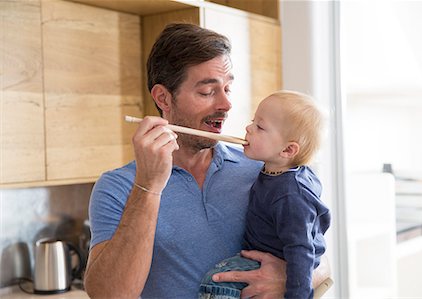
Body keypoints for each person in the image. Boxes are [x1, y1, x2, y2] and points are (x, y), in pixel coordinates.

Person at [84, 23, 329, 298]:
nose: (226, 104)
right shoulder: (117, 186)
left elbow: (319, 259)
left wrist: (286, 279)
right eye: (207, 91)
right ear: (163, 97)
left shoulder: (266, 170)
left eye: (227, 88)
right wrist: (149, 186)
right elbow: (108, 294)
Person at [198, 91, 331, 299]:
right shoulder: (276, 169)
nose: (248, 128)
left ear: (287, 150)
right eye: (253, 122)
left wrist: (296, 295)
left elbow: (302, 252)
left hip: (279, 261)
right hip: (263, 255)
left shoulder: (290, 194)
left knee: (215, 282)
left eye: (259, 127)